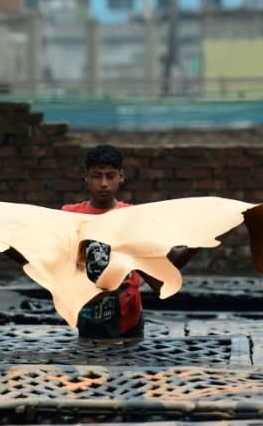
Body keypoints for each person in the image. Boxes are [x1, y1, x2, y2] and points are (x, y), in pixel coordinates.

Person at [62, 144, 198, 339]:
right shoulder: (70, 216)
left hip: (128, 322)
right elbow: (46, 258)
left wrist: (202, 238)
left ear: (121, 176)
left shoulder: (134, 217)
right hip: (86, 317)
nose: (103, 183)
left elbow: (173, 261)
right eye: (96, 175)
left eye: (110, 176)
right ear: (86, 176)